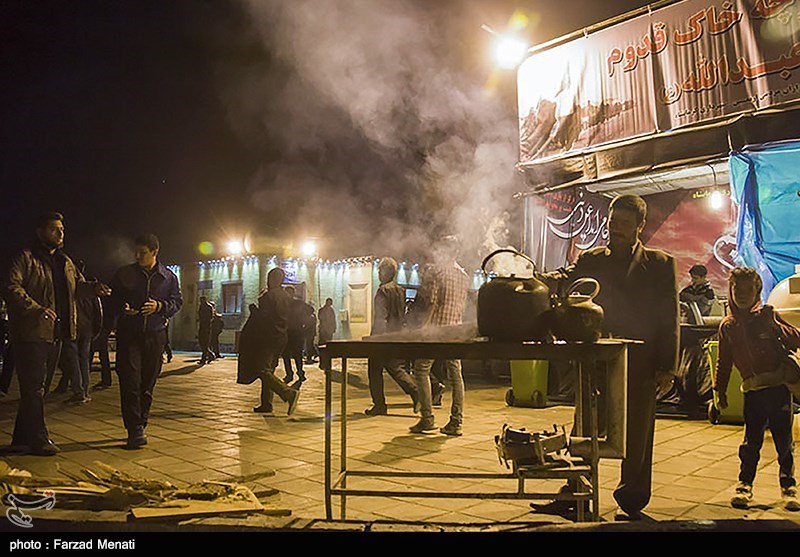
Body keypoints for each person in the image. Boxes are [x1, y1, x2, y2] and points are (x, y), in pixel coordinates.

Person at [537, 194, 679, 521]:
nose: (616, 230)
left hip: (640, 361)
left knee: (637, 433)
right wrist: (542, 279)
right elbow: (567, 277)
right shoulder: (592, 259)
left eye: (625, 225)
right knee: (585, 427)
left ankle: (631, 501)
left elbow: (668, 317)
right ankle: (575, 494)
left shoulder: (659, 264)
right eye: (613, 223)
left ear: (640, 227)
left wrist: (666, 367)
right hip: (597, 357)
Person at [3, 212, 110, 456]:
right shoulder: (26, 258)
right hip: (32, 334)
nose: (60, 234)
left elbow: (77, 289)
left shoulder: (66, 262)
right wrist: (36, 309)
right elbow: (11, 287)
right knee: (35, 389)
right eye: (54, 229)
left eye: (62, 229)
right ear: (40, 231)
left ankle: (21, 438)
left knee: (38, 388)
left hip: (59, 333)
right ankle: (39, 438)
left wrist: (93, 289)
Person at [714, 266, 800, 511]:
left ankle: (789, 486)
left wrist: (775, 326)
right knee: (751, 442)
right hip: (752, 392)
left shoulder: (769, 315)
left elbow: (796, 338)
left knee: (784, 441)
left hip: (778, 390)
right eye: (736, 289)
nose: (741, 294)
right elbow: (724, 362)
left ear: (757, 291)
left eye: (747, 289)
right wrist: (718, 391)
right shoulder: (727, 327)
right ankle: (744, 484)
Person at [108, 233, 182, 449]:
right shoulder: (125, 273)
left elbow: (176, 301)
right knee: (130, 380)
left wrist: (159, 307)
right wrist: (123, 308)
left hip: (155, 334)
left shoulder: (168, 277)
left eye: (143, 253)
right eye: (136, 252)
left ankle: (141, 421)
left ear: (154, 252)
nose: (138, 256)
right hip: (129, 334)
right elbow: (111, 299)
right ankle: (134, 429)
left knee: (148, 382)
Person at [409, 239, 469, 435]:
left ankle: (427, 419)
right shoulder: (464, 275)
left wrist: (425, 327)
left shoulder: (439, 272)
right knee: (456, 374)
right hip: (456, 330)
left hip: (437, 330)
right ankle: (456, 421)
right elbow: (461, 306)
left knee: (421, 368)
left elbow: (433, 304)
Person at [237, 268, 300, 415]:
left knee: (262, 369)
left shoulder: (268, 297)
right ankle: (266, 403)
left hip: (267, 337)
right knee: (269, 369)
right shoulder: (286, 296)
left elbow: (263, 318)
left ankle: (288, 393)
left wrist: (254, 310)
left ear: (273, 279)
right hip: (281, 337)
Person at [364, 257, 419, 416]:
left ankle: (379, 404)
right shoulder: (400, 290)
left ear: (387, 272)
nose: (378, 273)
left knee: (374, 371)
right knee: (396, 368)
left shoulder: (383, 290)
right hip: (396, 334)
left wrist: (375, 337)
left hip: (382, 336)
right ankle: (415, 392)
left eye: (380, 270)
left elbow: (381, 317)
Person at [282, 285, 309, 384]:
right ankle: (290, 373)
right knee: (286, 354)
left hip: (295, 332)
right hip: (289, 332)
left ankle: (299, 373)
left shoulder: (297, 303)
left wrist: (303, 320)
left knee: (296, 354)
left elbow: (310, 310)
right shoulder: (286, 304)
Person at [91, 296, 114, 390]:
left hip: (103, 324)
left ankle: (106, 379)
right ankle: (106, 379)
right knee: (101, 352)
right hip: (104, 323)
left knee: (101, 352)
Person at [197, 296, 214, 365]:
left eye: (202, 300)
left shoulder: (209, 307)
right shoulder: (201, 306)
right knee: (201, 342)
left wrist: (206, 323)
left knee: (205, 342)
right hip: (202, 326)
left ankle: (204, 359)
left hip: (206, 327)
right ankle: (210, 355)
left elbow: (211, 317)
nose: (201, 302)